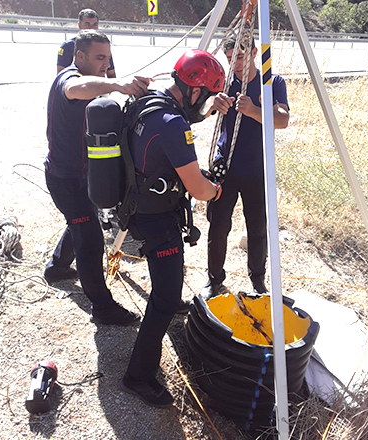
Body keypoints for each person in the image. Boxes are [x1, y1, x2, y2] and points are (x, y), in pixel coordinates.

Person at [120, 49, 226, 407]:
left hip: (136, 204)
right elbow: (198, 189)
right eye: (207, 96)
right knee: (165, 298)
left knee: (167, 286)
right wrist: (215, 189)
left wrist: (208, 113)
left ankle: (165, 306)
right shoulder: (173, 124)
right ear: (195, 90)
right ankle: (138, 376)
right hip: (157, 219)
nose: (206, 103)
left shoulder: (151, 103)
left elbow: (165, 145)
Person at [44, 29, 151, 325]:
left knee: (81, 221)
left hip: (80, 176)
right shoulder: (69, 79)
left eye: (108, 57)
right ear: (79, 56)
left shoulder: (89, 80)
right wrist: (118, 84)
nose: (106, 64)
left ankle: (56, 268)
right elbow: (77, 88)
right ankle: (102, 307)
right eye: (99, 57)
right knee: (89, 238)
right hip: (66, 180)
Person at [202, 35, 290, 298]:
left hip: (257, 168)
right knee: (218, 226)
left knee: (257, 227)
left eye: (239, 57)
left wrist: (253, 110)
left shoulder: (271, 82)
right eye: (229, 59)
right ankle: (214, 279)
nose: (235, 64)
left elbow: (282, 120)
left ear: (253, 52)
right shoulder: (223, 82)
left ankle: (258, 281)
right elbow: (198, 111)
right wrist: (212, 105)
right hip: (225, 167)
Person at [56, 9, 116, 78]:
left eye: (95, 24)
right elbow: (61, 76)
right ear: (79, 25)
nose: (91, 28)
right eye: (87, 24)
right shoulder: (68, 46)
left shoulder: (102, 47)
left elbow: (111, 74)